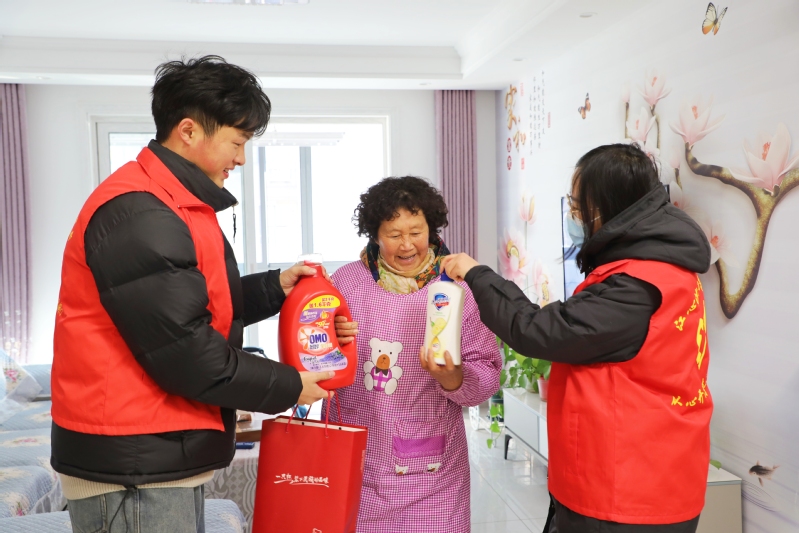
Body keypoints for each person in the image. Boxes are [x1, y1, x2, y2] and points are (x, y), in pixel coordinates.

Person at [51, 56, 332, 533]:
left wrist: (275, 288)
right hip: (134, 463)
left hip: (151, 451)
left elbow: (189, 304)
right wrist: (289, 386)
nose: (241, 159)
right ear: (188, 131)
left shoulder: (171, 202)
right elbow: (188, 354)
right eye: (237, 142)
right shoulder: (141, 212)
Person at [442, 143, 713, 533]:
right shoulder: (663, 268)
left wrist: (476, 274)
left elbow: (536, 330)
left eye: (578, 204)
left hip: (627, 492)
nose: (574, 214)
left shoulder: (636, 287)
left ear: (607, 206)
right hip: (647, 473)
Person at [329, 176, 502, 533]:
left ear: (432, 229)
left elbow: (487, 374)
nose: (407, 245)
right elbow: (315, 357)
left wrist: (453, 378)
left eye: (416, 232)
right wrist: (330, 342)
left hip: (433, 475)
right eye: (394, 234)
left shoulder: (459, 288)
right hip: (356, 462)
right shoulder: (345, 284)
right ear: (375, 235)